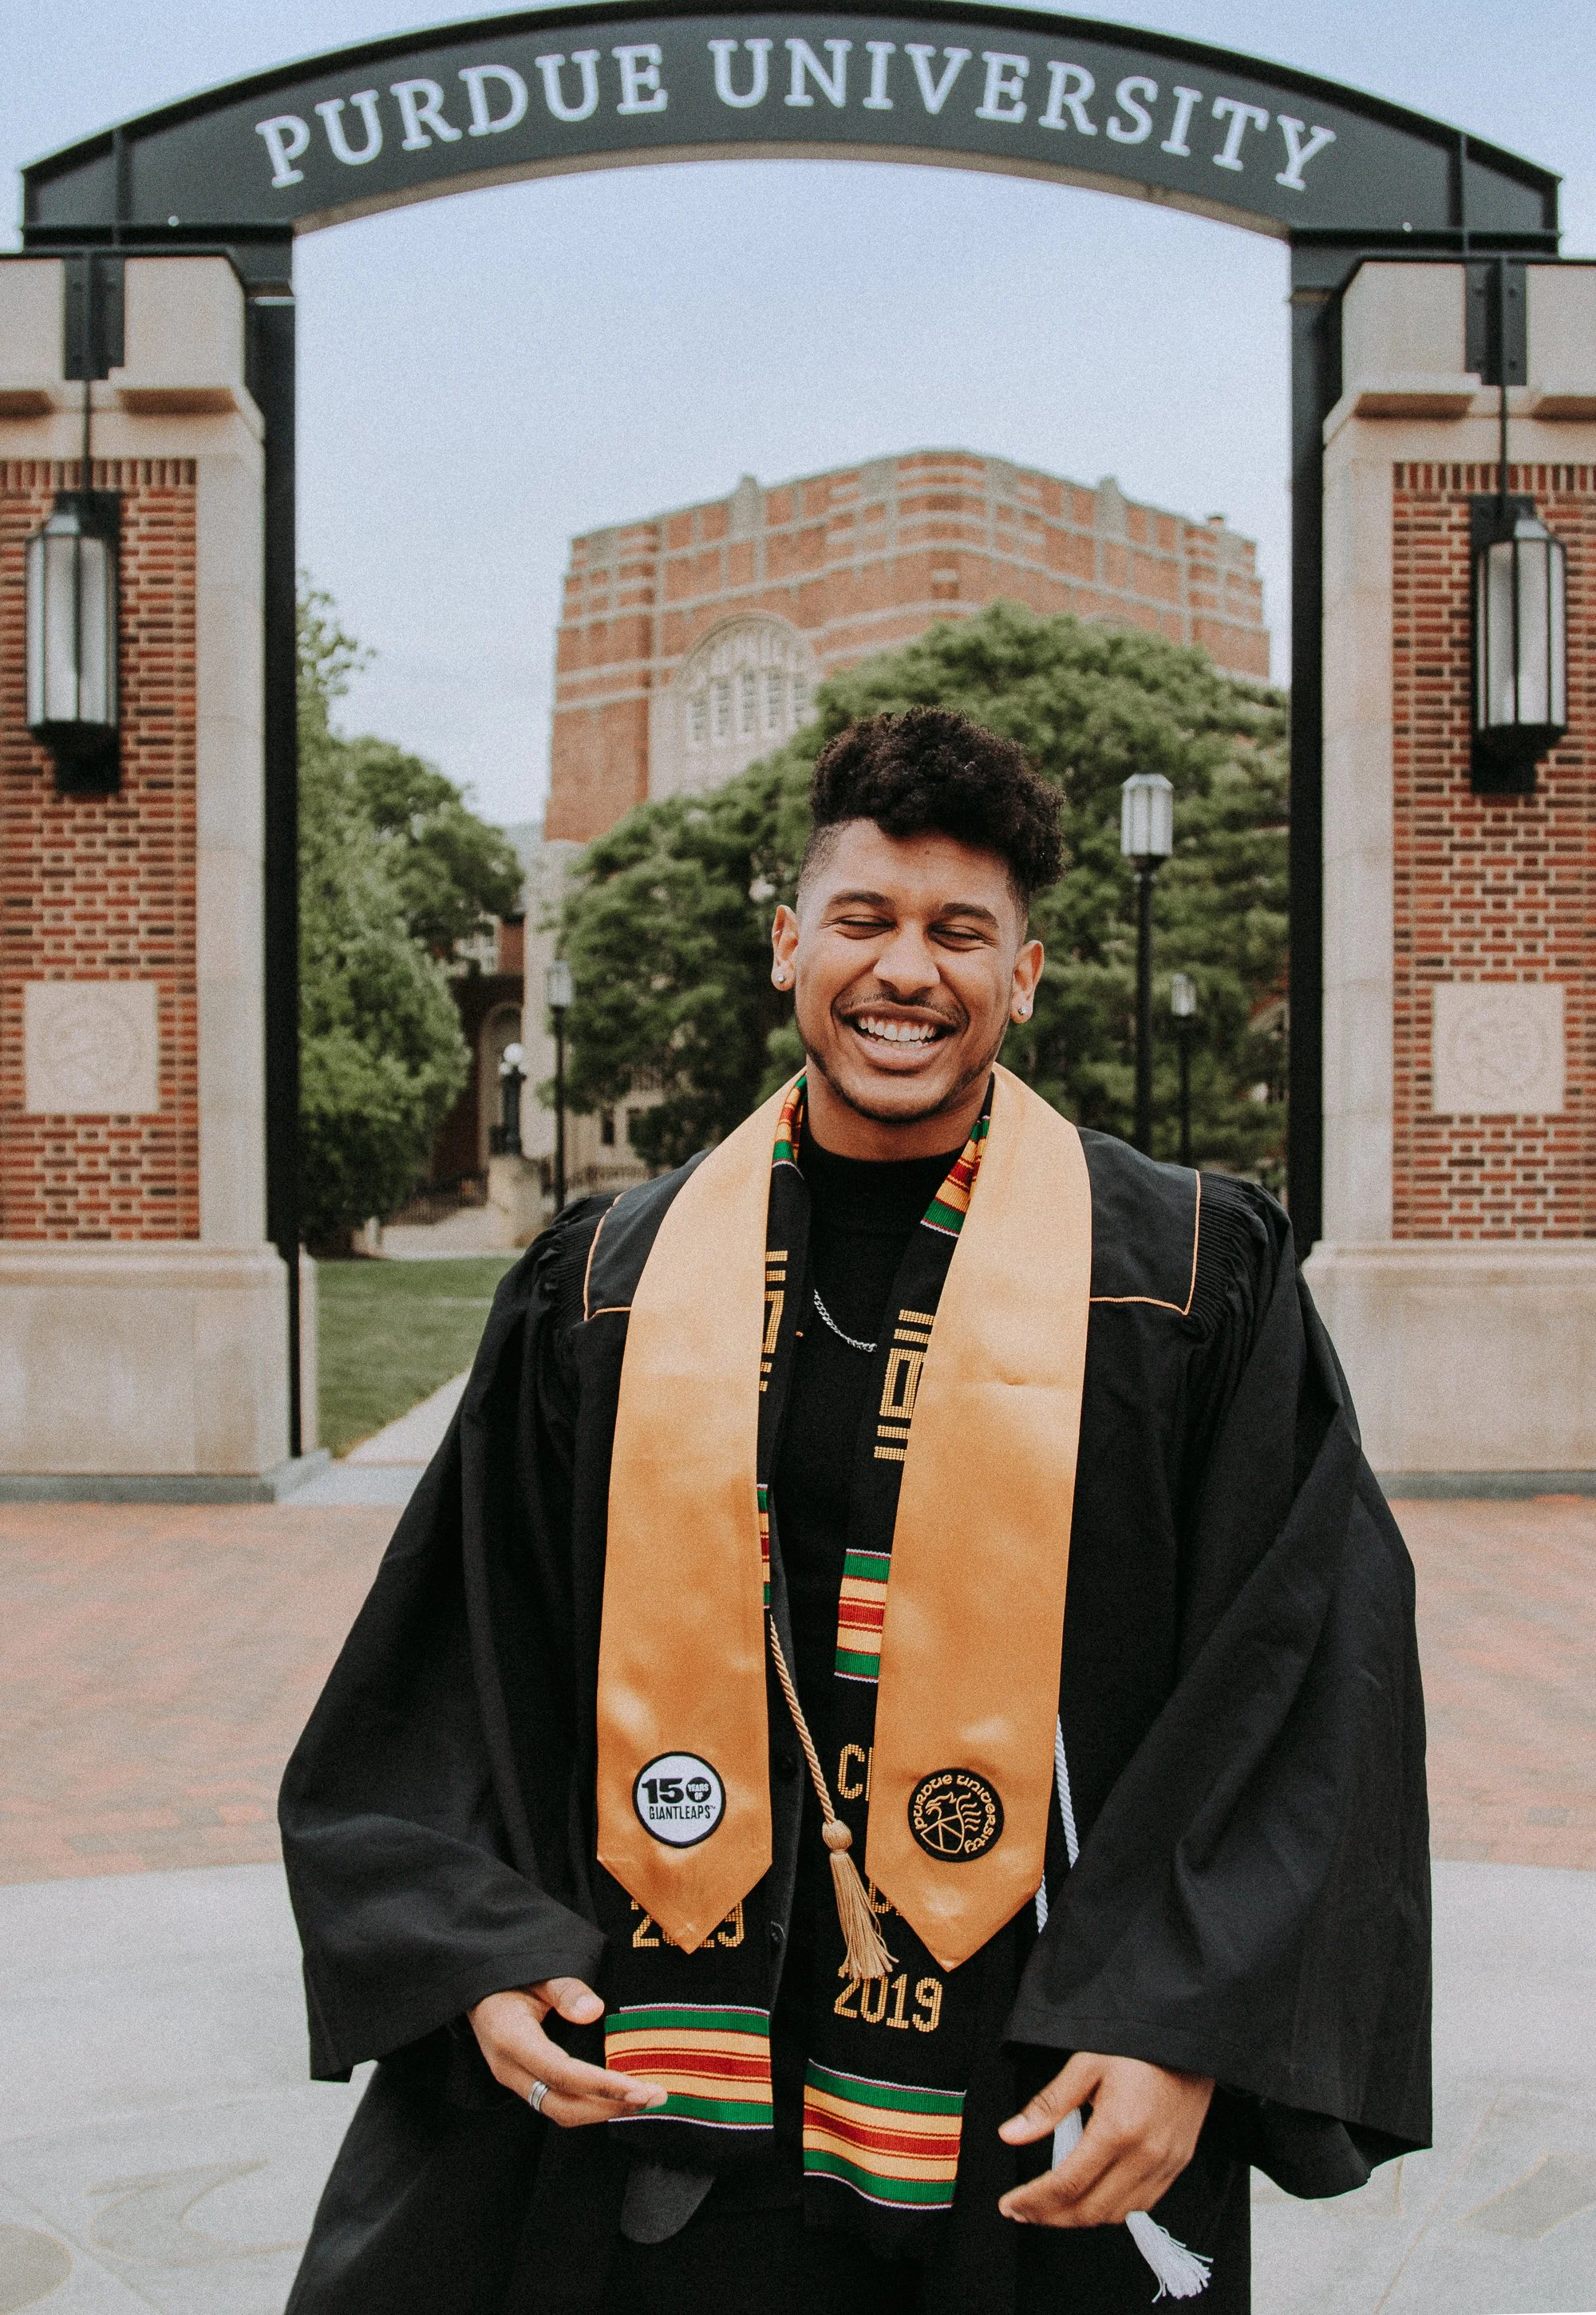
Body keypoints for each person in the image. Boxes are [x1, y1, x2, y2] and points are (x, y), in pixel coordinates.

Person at [281, 706, 1430, 2315]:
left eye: (963, 932)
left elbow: (1302, 1669)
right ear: (787, 947)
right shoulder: (609, 1284)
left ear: (1022, 976)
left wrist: (1182, 2023)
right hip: (672, 2072)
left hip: (1029, 2071)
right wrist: (474, 1949)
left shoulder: (1179, 1277)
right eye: (865, 920)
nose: (909, 970)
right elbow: (474, 1638)